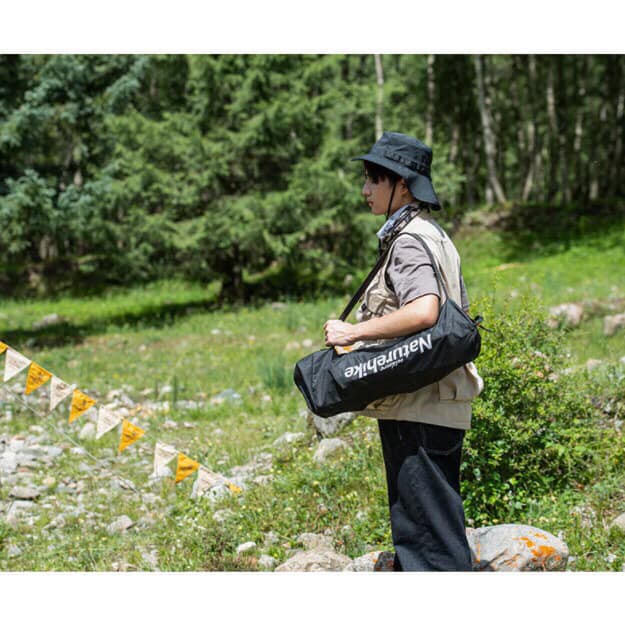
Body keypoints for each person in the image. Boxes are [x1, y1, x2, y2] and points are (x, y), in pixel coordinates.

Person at [323, 131, 483, 572]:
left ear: (404, 186)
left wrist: (353, 331)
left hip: (418, 405)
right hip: (437, 401)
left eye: (374, 179)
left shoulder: (409, 239)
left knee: (426, 543)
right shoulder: (432, 233)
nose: (365, 189)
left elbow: (425, 310)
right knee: (433, 530)